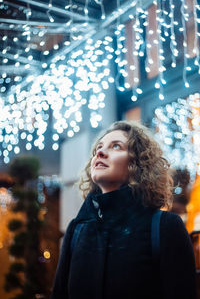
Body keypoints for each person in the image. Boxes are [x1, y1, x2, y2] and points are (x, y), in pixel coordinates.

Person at [51, 120, 196, 299]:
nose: (100, 153)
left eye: (116, 146)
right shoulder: (76, 230)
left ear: (138, 164)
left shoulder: (165, 227)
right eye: (99, 148)